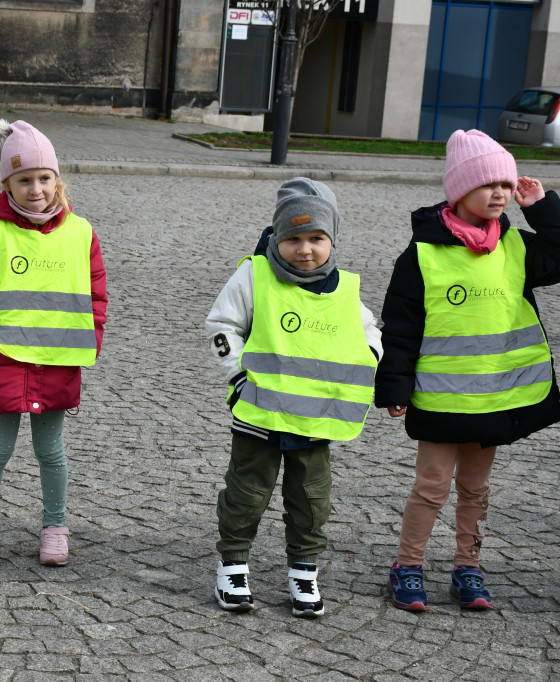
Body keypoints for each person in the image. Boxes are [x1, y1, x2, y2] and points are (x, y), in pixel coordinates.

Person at [377, 129, 560, 612]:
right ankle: (408, 567)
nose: (500, 193)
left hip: (494, 400)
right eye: (488, 184)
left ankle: (467, 568)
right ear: (460, 191)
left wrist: (541, 208)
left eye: (506, 183)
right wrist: (395, 385)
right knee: (433, 486)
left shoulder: (517, 246)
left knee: (476, 488)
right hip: (438, 400)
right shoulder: (421, 255)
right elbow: (400, 326)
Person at [205, 178, 382, 617]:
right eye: (293, 239)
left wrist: (370, 358)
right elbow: (222, 326)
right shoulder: (255, 273)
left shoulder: (346, 289)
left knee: (311, 501)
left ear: (332, 240)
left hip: (317, 420)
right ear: (277, 239)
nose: (305, 249)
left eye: (317, 238)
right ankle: (233, 566)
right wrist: (240, 376)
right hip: (259, 416)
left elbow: (369, 334)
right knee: (246, 494)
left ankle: (304, 572)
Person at [0, 119, 107, 567]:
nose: (36, 189)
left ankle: (55, 526)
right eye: (24, 180)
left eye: (44, 178)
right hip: (4, 357)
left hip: (58, 358)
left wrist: (92, 336)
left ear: (57, 179)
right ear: (7, 183)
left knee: (51, 451)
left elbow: (95, 290)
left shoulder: (81, 232)